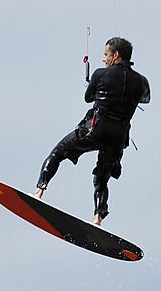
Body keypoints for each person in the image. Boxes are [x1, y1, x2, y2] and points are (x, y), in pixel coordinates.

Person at [34, 37, 151, 226]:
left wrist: (101, 88)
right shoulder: (142, 82)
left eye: (106, 54)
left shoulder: (100, 74)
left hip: (95, 130)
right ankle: (98, 218)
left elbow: (88, 98)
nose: (104, 59)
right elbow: (145, 99)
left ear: (116, 55)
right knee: (102, 177)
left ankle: (39, 191)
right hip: (118, 137)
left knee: (58, 152)